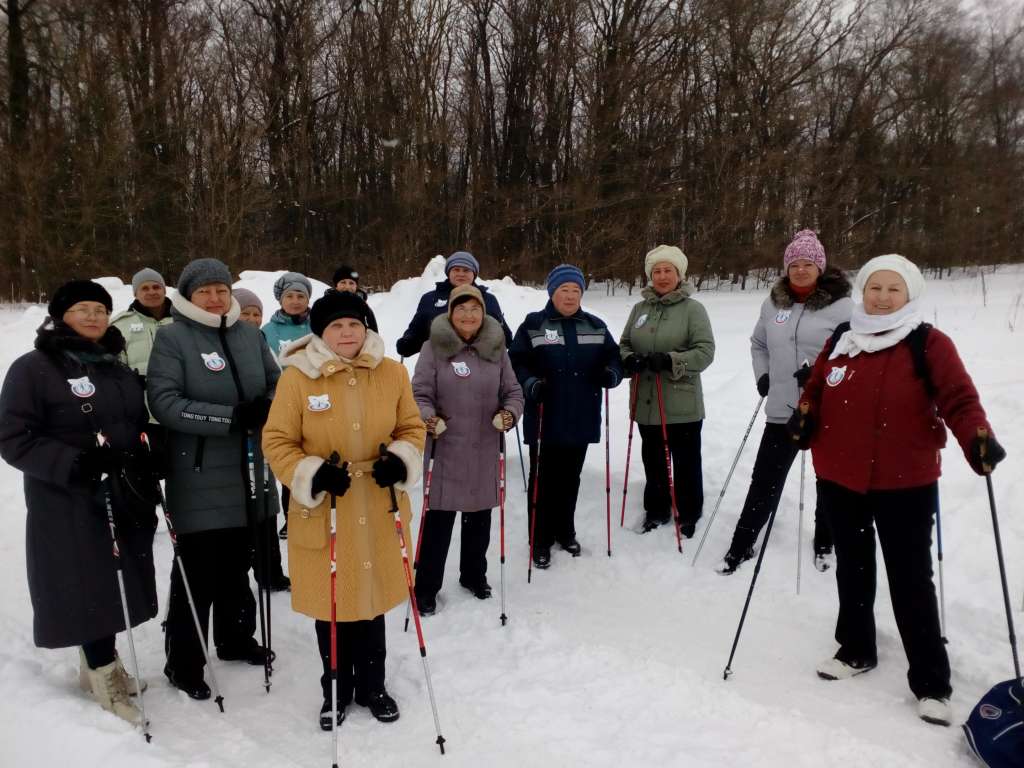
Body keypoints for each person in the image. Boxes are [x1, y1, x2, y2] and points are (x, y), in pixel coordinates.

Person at [789, 254, 1006, 727]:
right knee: (853, 566)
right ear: (862, 292)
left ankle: (931, 682)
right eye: (874, 288)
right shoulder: (842, 340)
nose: (882, 298)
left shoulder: (927, 343)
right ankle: (856, 650)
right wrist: (805, 413)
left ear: (909, 295)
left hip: (905, 481)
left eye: (893, 289)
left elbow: (959, 399)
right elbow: (819, 389)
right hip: (839, 476)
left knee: (910, 579)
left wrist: (976, 436)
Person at [262, 289, 425, 728]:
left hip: (378, 500)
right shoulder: (297, 378)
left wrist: (401, 457)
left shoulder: (391, 373)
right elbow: (276, 440)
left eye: (354, 324)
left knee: (371, 603)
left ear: (366, 327)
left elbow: (412, 426)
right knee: (332, 604)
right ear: (321, 332)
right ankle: (334, 689)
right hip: (326, 507)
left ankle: (374, 685)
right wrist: (310, 473)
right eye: (336, 325)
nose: (347, 332)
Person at [0, 280, 158, 725]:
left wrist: (144, 452)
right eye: (82, 309)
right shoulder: (34, 368)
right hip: (66, 494)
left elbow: (130, 421)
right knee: (84, 581)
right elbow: (13, 437)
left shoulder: (115, 366)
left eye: (100, 310)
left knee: (113, 579)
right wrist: (75, 462)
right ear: (60, 315)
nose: (93, 317)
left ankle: (100, 663)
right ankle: (101, 671)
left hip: (118, 488)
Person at [147, 258, 280, 700]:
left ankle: (235, 638)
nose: (216, 298)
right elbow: (165, 402)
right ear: (188, 296)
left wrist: (267, 407)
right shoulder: (172, 337)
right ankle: (183, 662)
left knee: (238, 563)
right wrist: (229, 417)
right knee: (197, 573)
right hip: (199, 472)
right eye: (205, 291)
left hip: (250, 468)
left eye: (222, 289)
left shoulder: (249, 334)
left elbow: (278, 383)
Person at [716, 230, 852, 574]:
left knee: (830, 481)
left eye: (808, 263)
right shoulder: (773, 303)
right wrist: (763, 375)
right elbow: (758, 344)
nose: (801, 270)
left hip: (828, 410)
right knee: (764, 479)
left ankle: (826, 541)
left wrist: (823, 376)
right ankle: (742, 544)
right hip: (781, 408)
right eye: (795, 264)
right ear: (786, 268)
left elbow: (857, 356)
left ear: (820, 267)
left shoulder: (845, 308)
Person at [410, 284, 524, 615]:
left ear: (483, 313)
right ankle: (426, 586)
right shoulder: (433, 348)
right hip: (446, 445)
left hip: (485, 446)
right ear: (451, 313)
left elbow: (513, 391)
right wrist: (429, 419)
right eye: (461, 309)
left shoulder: (497, 348)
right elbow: (419, 394)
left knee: (479, 518)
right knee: (438, 522)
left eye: (474, 308)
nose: (468, 315)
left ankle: (474, 575)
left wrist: (509, 414)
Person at [509, 264, 623, 568]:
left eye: (576, 290)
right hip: (546, 415)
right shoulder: (534, 324)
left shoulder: (595, 325)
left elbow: (614, 356)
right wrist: (531, 384)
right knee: (543, 480)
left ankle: (564, 530)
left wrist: (612, 372)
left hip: (581, 415)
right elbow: (516, 361)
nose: (570, 296)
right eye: (564, 290)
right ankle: (540, 538)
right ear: (552, 292)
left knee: (570, 478)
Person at [619, 245, 715, 537]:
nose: (662, 277)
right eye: (657, 271)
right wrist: (629, 360)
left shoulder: (693, 309)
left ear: (679, 274)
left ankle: (688, 510)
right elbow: (624, 344)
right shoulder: (640, 309)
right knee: (654, 460)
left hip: (681, 404)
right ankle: (657, 509)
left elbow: (705, 352)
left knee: (685, 461)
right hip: (646, 402)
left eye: (668, 271)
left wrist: (672, 360)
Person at [395, 251, 512, 357]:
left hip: (480, 364)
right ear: (448, 272)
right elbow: (417, 330)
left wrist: (498, 324)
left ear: (474, 274)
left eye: (466, 270)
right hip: (440, 364)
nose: (461, 274)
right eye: (456, 270)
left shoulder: (488, 299)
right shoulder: (430, 298)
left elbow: (506, 339)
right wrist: (408, 341)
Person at [110, 268, 173, 380]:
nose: (152, 292)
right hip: (140, 395)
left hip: (181, 394)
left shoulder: (182, 320)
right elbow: (115, 369)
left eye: (156, 287)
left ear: (164, 290)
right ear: (136, 294)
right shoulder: (120, 325)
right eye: (145, 288)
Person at [262, 272, 313, 359]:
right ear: (281, 301)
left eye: (300, 296)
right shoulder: (267, 331)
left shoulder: (319, 326)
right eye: (289, 296)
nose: (295, 301)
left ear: (307, 301)